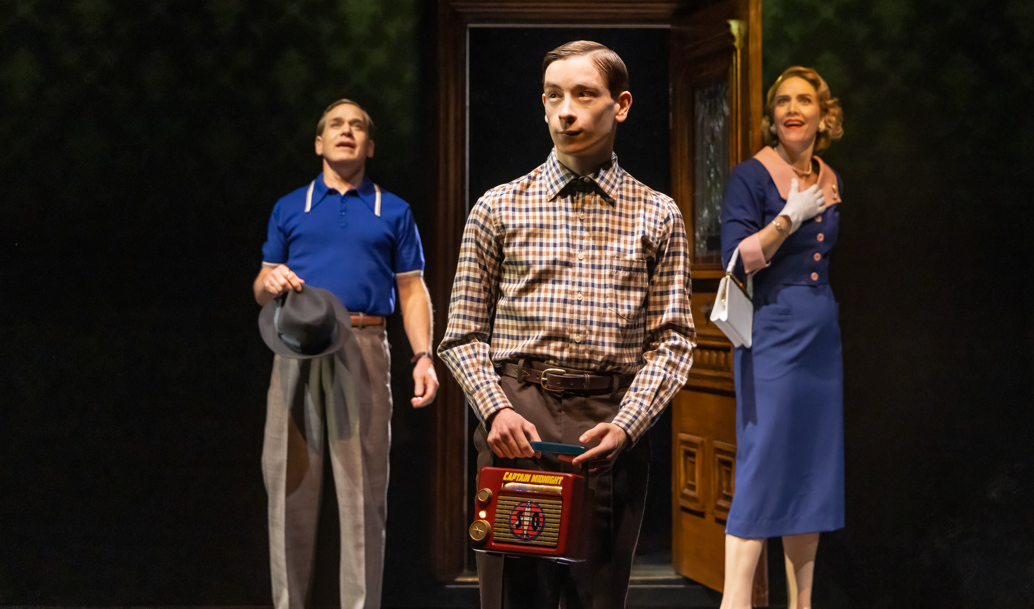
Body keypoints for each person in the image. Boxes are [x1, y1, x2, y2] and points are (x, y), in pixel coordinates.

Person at [438, 40, 695, 609]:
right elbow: (461, 334)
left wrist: (627, 426)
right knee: (513, 597)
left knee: (596, 596)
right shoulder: (499, 207)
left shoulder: (658, 214)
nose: (566, 110)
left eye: (584, 94)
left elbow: (674, 341)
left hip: (607, 423)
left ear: (621, 105)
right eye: (554, 96)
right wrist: (495, 409)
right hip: (517, 419)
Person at [253, 99, 439, 609]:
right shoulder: (290, 206)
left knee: (362, 497)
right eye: (336, 124)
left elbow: (413, 288)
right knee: (289, 487)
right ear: (319, 142)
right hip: (296, 347)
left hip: (363, 343)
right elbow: (261, 284)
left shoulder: (392, 210)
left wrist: (422, 355)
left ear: (370, 146)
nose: (346, 131)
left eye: (357, 126)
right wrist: (269, 281)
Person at [718, 66, 845, 609]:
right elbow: (736, 259)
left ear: (823, 114)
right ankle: (735, 602)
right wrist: (788, 217)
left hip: (820, 333)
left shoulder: (830, 176)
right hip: (770, 330)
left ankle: (803, 603)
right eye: (783, 101)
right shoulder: (752, 176)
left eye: (805, 100)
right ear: (773, 117)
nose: (793, 109)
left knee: (812, 468)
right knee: (764, 462)